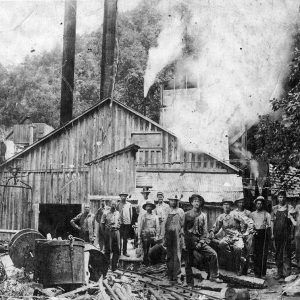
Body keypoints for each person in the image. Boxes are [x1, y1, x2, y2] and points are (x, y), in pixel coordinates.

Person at [184, 194, 222, 285]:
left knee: (213, 254)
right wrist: (186, 242)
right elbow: (183, 230)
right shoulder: (186, 214)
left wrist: (200, 242)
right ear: (192, 203)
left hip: (199, 241)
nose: (197, 203)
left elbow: (205, 232)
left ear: (201, 203)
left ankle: (214, 276)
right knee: (188, 260)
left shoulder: (203, 215)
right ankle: (188, 281)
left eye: (198, 201)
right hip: (189, 241)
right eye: (195, 201)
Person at [210, 197, 253, 275]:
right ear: (222, 206)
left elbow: (248, 222)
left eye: (228, 204)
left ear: (231, 206)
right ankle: (233, 259)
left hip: (237, 237)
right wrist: (212, 232)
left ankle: (238, 267)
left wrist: (246, 233)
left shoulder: (235, 214)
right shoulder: (221, 217)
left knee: (238, 248)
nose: (226, 206)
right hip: (227, 237)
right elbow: (216, 227)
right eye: (224, 204)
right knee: (221, 244)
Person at [271, 190, 294, 280]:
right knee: (278, 253)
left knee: (286, 253)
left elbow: (292, 223)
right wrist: (272, 233)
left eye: (283, 197)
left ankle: (287, 273)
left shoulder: (290, 207)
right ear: (277, 198)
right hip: (277, 233)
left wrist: (291, 233)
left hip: (286, 233)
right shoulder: (274, 208)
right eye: (280, 197)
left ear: (285, 198)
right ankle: (279, 273)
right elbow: (272, 222)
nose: (282, 199)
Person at [165, 195, 185, 284]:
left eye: (174, 201)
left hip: (177, 236)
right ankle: (170, 274)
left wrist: (182, 236)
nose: (173, 202)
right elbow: (164, 224)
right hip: (168, 235)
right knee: (169, 254)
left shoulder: (180, 211)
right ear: (169, 201)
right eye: (171, 200)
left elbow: (183, 225)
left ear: (177, 202)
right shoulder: (167, 211)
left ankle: (177, 275)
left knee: (177, 255)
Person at [250, 196, 271, 278]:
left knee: (263, 254)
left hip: (263, 234)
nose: (259, 205)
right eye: (258, 203)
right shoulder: (252, 214)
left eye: (261, 204)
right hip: (255, 234)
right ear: (256, 204)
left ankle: (263, 273)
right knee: (255, 253)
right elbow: (250, 224)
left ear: (263, 205)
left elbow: (269, 225)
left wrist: (267, 227)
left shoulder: (267, 214)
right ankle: (256, 272)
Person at [233, 197, 254, 270]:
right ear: (237, 203)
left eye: (242, 202)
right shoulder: (233, 213)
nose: (241, 204)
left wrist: (249, 233)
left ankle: (246, 269)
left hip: (246, 234)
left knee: (247, 251)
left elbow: (250, 224)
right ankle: (238, 268)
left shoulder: (248, 213)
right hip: (237, 234)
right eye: (239, 202)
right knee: (239, 250)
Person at [138, 200, 160, 265]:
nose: (148, 208)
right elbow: (140, 226)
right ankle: (145, 263)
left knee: (153, 250)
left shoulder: (155, 216)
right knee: (145, 250)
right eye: (147, 206)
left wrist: (157, 236)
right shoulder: (143, 216)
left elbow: (158, 227)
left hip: (153, 235)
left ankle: (153, 263)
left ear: (152, 208)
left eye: (150, 206)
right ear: (145, 208)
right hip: (145, 235)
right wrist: (139, 237)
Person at [101, 200, 120, 271]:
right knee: (107, 249)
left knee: (116, 250)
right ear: (110, 205)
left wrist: (118, 226)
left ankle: (114, 267)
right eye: (112, 204)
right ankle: (106, 266)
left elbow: (119, 221)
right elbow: (102, 224)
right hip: (108, 232)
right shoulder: (106, 213)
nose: (113, 206)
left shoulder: (118, 213)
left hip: (116, 232)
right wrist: (105, 233)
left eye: (115, 204)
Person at [118, 192, 132, 257]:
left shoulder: (129, 204)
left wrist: (129, 222)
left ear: (126, 197)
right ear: (120, 197)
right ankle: (119, 251)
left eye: (125, 196)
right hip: (120, 224)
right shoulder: (118, 204)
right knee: (119, 238)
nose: (123, 197)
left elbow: (131, 214)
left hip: (127, 223)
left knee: (125, 238)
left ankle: (125, 252)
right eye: (122, 196)